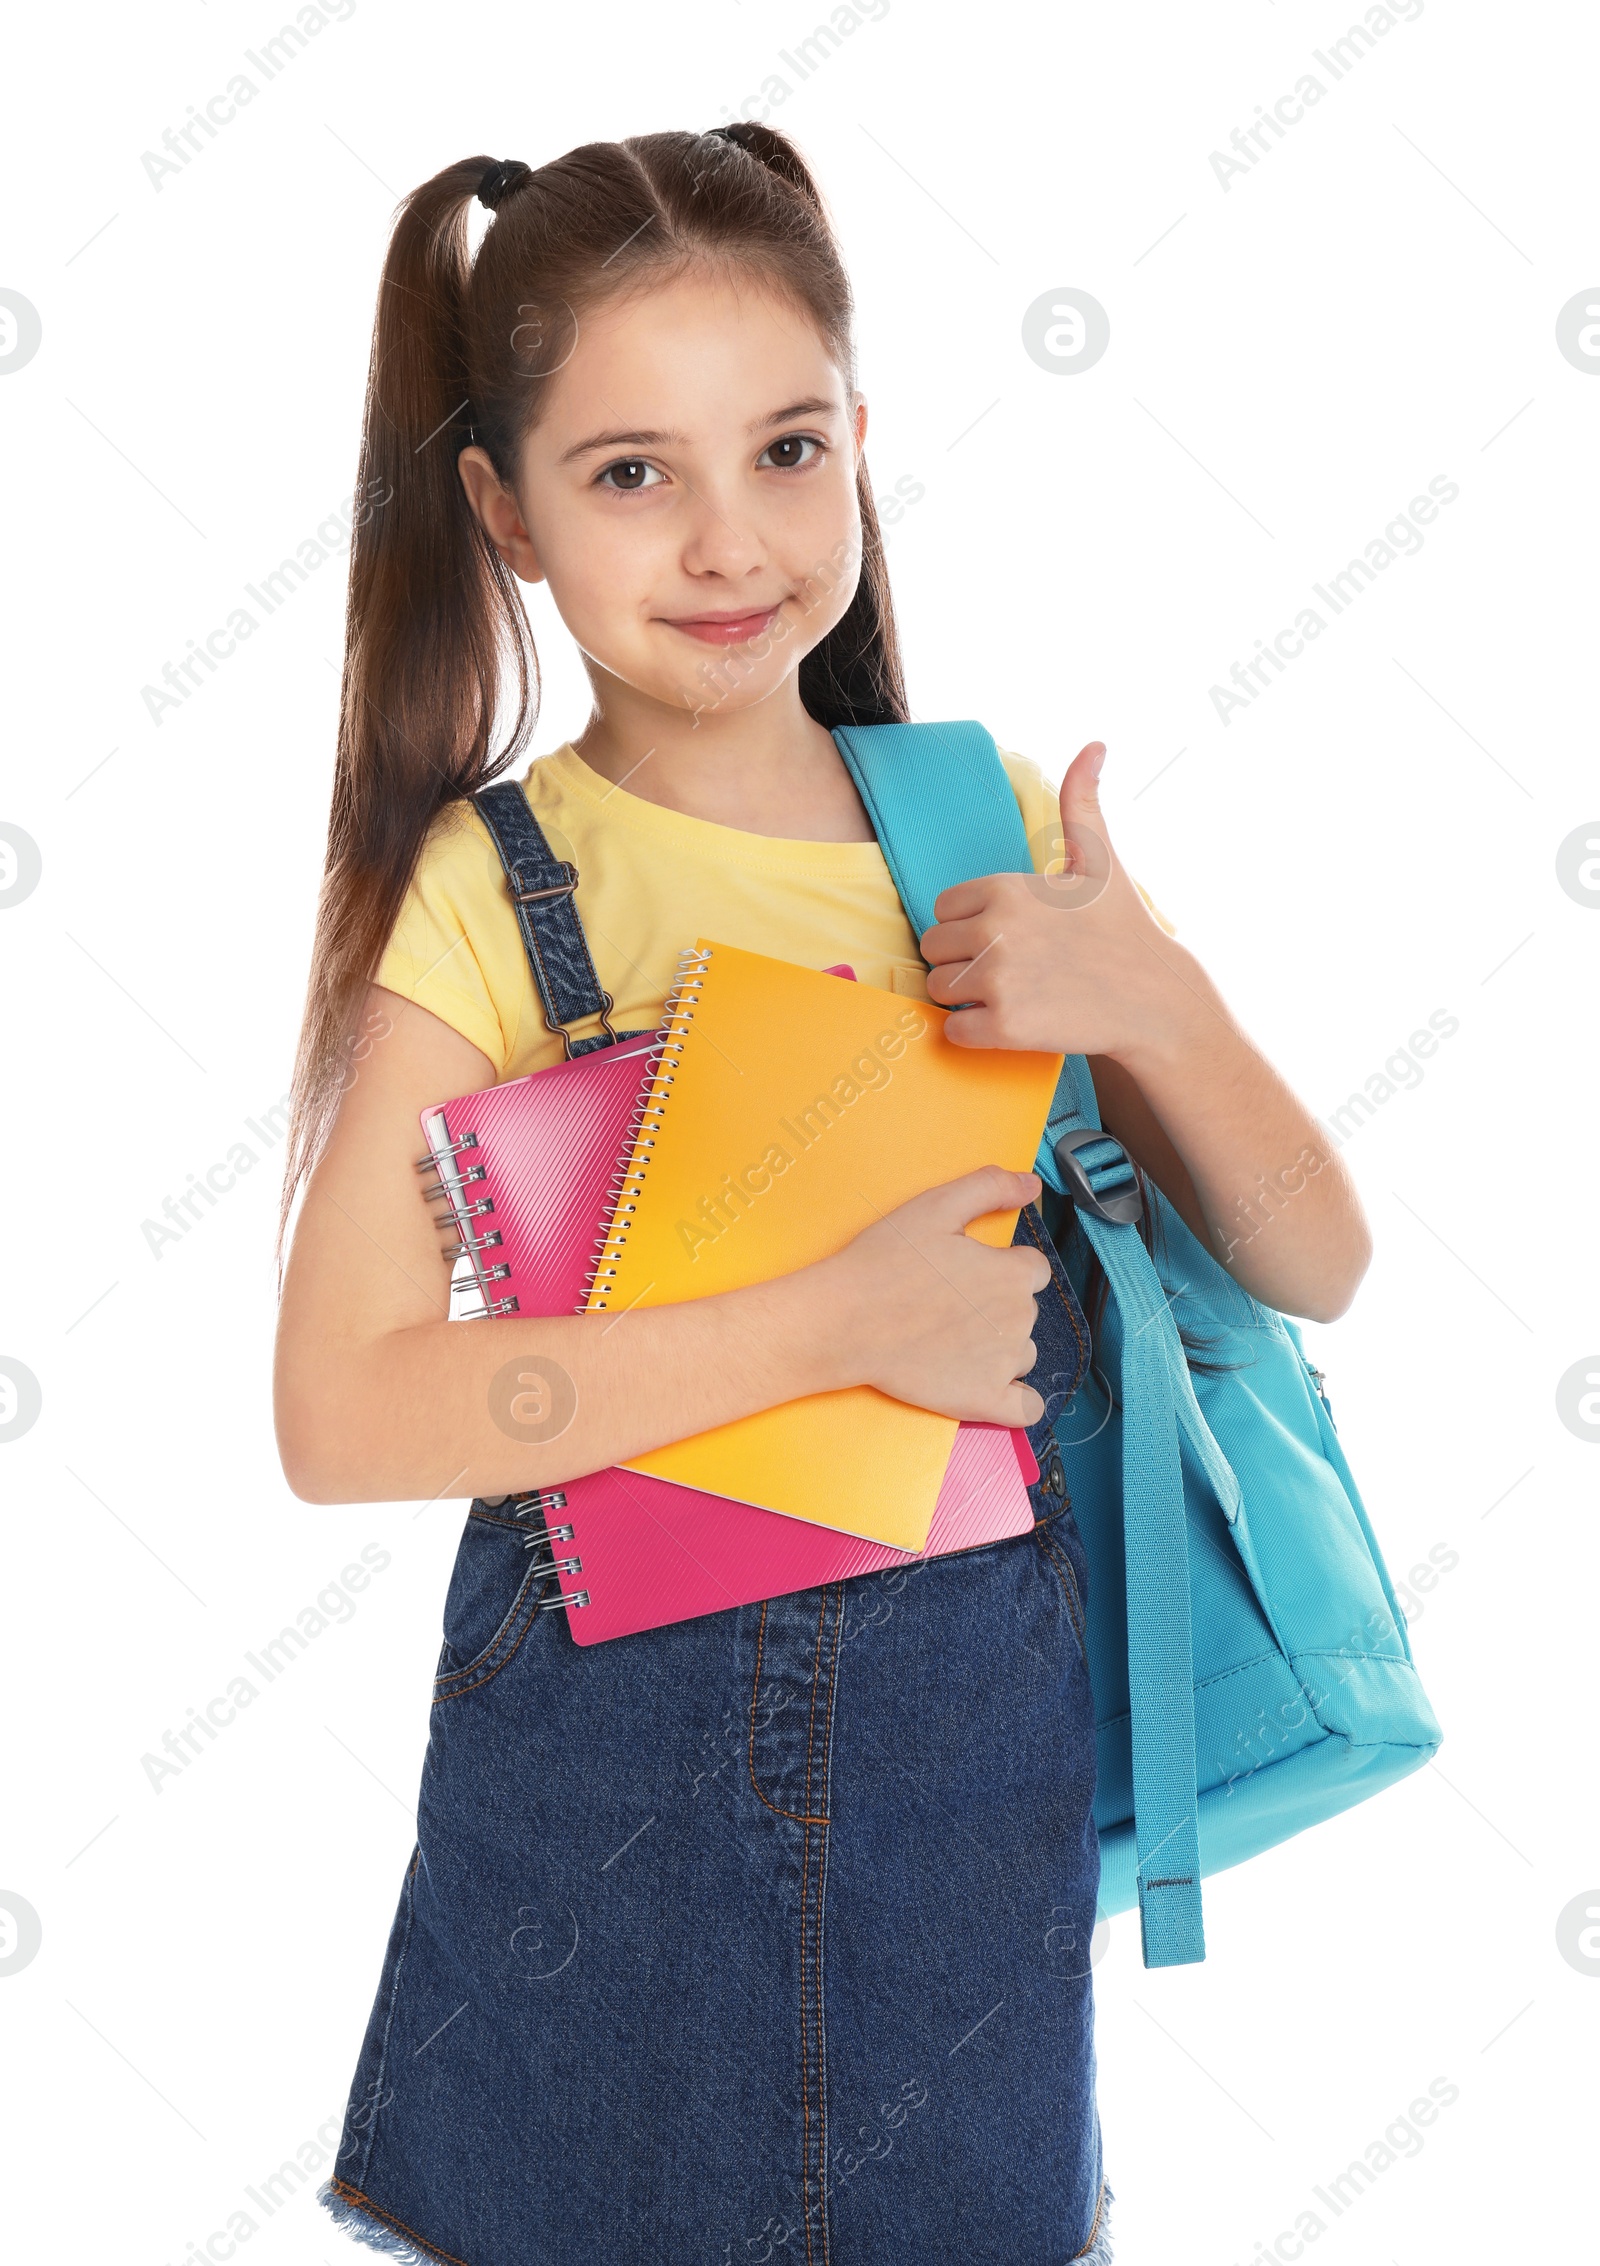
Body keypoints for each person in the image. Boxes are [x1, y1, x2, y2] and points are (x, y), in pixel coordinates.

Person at [274, 124, 1370, 2266]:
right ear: (500, 508)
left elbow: (1311, 1258)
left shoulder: (963, 829)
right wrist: (829, 1330)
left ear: (861, 441)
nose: (725, 538)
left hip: (961, 1808)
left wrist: (1150, 996)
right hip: (602, 1811)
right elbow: (344, 1412)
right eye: (627, 472)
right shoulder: (496, 889)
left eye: (783, 448)